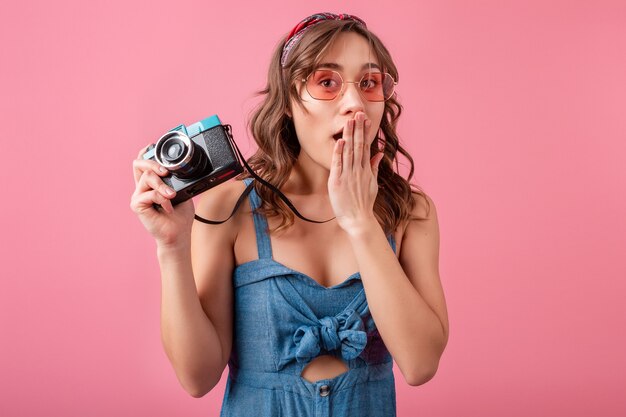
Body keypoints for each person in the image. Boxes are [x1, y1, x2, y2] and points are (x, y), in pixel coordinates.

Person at [131, 12, 449, 417]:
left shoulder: (411, 212)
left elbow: (421, 365)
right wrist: (171, 247)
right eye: (327, 82)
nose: (354, 104)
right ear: (288, 102)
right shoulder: (228, 208)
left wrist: (360, 222)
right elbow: (197, 378)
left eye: (368, 83)